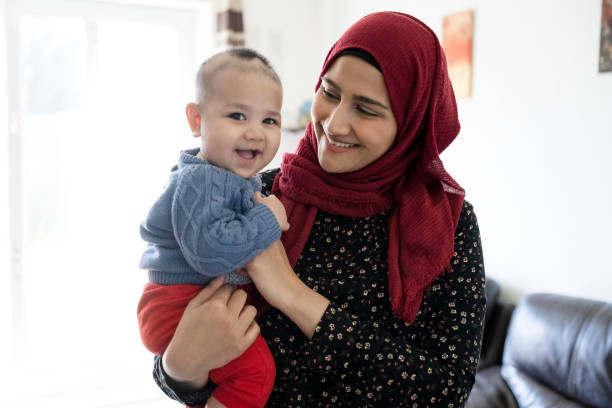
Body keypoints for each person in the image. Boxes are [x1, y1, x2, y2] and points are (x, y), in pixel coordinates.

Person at [143, 11, 486, 407]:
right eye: (330, 92)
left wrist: (291, 292)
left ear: (410, 124)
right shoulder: (260, 191)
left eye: (368, 109)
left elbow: (445, 392)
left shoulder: (447, 224)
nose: (334, 124)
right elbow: (177, 333)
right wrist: (179, 367)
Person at [137, 47, 289, 408]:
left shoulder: (227, 177)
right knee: (256, 373)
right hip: (177, 305)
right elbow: (211, 252)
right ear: (196, 121)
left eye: (270, 121)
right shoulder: (203, 181)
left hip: (192, 300)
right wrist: (269, 218)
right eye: (238, 115)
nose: (255, 132)